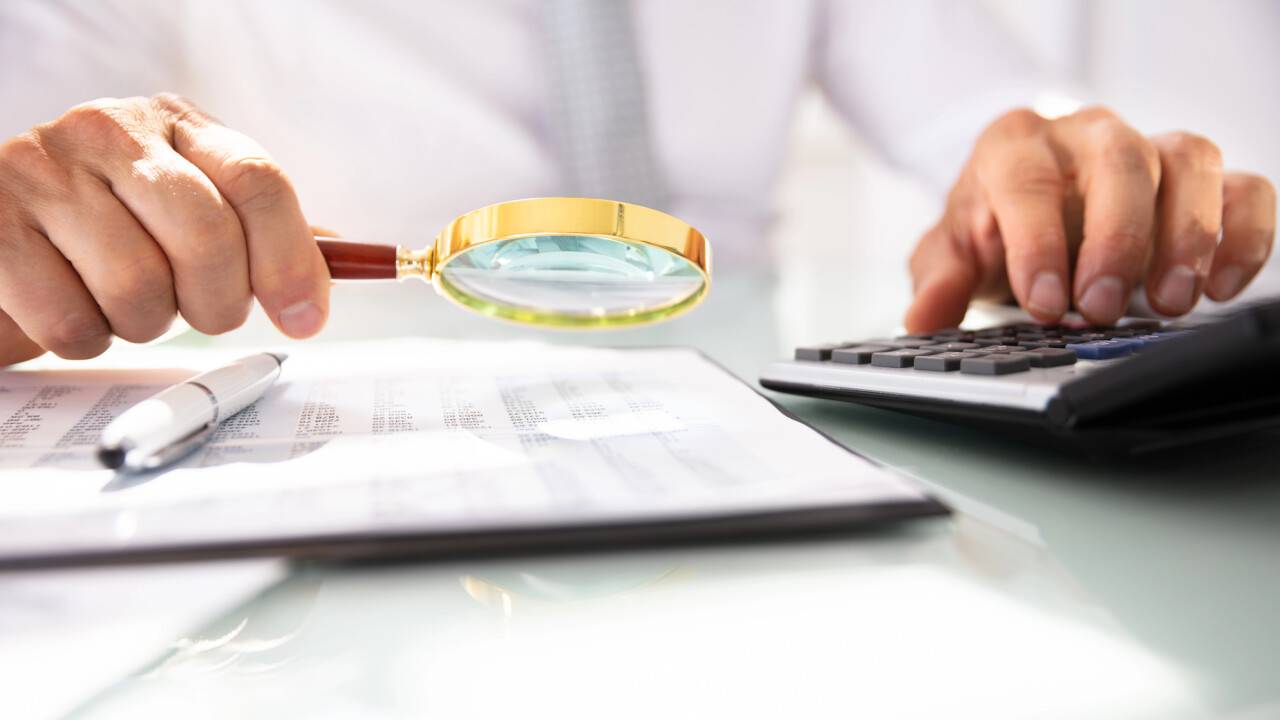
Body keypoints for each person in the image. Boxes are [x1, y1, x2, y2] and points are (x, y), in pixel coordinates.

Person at [0, 0, 1273, 366]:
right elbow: (37, 168)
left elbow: (981, 115)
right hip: (360, 428)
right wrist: (41, 212)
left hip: (765, 427)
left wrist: (1057, 172)